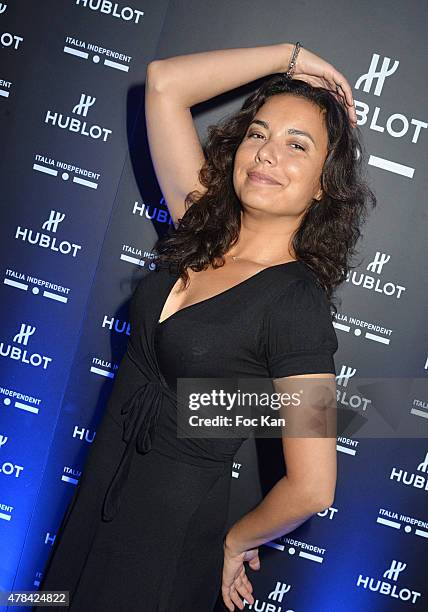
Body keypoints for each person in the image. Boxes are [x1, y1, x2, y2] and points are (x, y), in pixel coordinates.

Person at [34, 42, 375, 612]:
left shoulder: (296, 302)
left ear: (322, 185)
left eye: (297, 145)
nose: (268, 154)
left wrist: (236, 542)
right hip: (95, 507)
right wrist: (294, 58)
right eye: (258, 134)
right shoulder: (202, 226)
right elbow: (165, 83)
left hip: (166, 551)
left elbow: (313, 486)